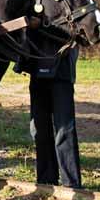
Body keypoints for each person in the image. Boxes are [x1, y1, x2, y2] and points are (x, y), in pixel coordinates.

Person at [16, 34, 82, 189]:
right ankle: (46, 180)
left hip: (62, 73)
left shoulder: (67, 12)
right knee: (40, 129)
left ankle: (71, 183)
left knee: (64, 129)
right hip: (38, 72)